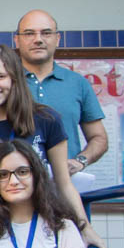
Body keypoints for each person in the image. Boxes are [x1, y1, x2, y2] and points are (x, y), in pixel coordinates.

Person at [0, 44, 106, 248]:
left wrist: (85, 227)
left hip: (39, 228)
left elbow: (63, 183)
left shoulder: (46, 119)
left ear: (15, 77)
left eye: (0, 76)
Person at [13, 9, 108, 170]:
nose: (38, 39)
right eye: (29, 33)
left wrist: (80, 161)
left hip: (66, 180)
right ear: (17, 40)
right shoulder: (5, 82)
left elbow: (99, 138)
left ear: (57, 39)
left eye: (46, 33)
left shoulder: (78, 83)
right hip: (15, 180)